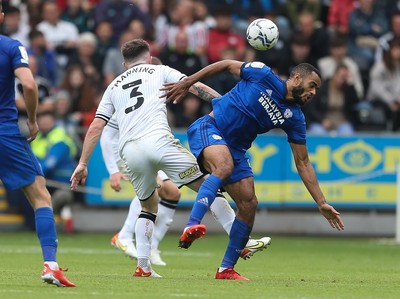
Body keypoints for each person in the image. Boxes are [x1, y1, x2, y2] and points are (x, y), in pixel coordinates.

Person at [70, 39, 271, 278]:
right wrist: (224, 104)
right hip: (160, 143)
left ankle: (143, 267)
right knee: (209, 184)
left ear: (125, 64)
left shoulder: (113, 86)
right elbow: (194, 86)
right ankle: (241, 241)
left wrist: (82, 163)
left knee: (147, 207)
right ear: (150, 57)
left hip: (129, 152)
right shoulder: (159, 70)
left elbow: (95, 127)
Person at [161, 60, 345, 280]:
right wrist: (189, 81)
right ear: (297, 78)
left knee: (249, 203)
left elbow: (303, 162)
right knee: (224, 166)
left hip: (236, 149)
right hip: (210, 127)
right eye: (312, 85)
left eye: (316, 89)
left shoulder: (295, 117)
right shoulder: (262, 74)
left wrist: (321, 202)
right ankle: (192, 225)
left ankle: (226, 269)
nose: (313, 92)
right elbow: (227, 64)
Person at [0, 2, 75, 287]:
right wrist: (32, 119)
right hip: (5, 134)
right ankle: (51, 265)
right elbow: (29, 86)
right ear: (2, 17)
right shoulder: (10, 47)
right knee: (41, 195)